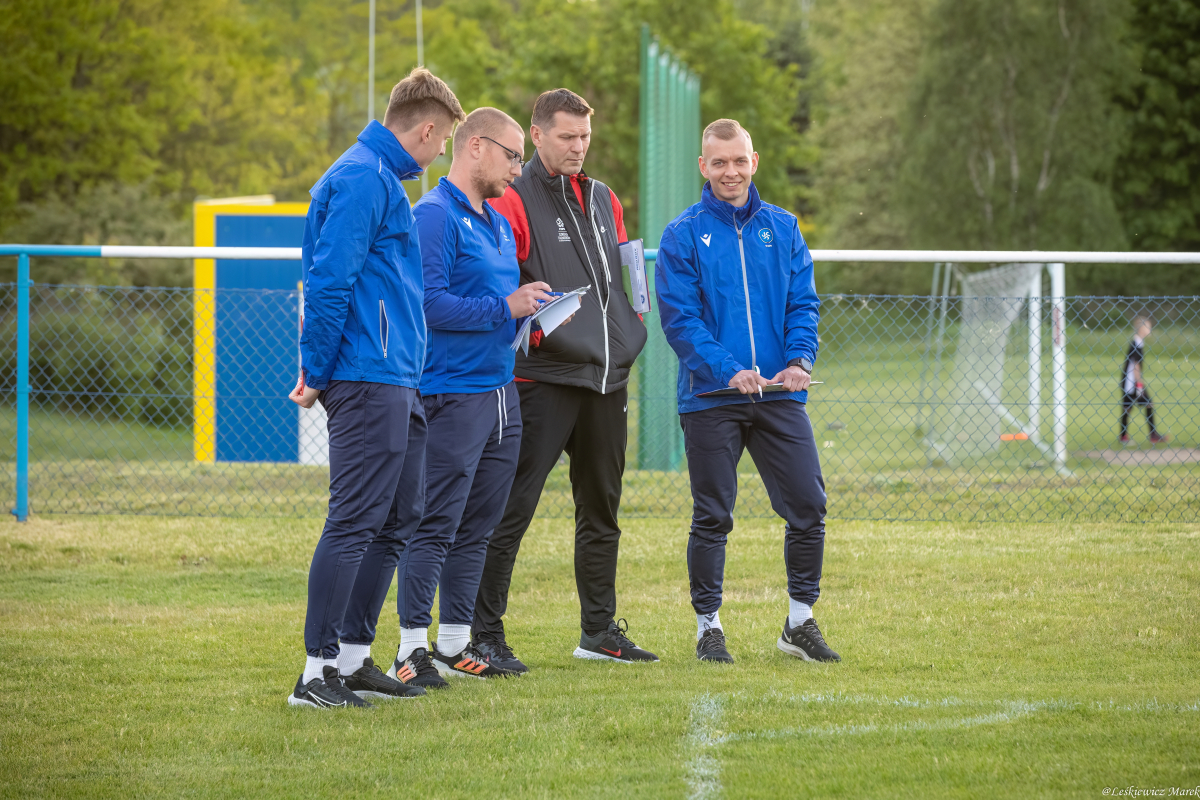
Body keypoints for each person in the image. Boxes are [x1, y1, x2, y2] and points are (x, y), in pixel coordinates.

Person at [286, 68, 465, 709]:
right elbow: (329, 282)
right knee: (355, 519)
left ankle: (354, 659)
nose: (439, 153)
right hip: (366, 375)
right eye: (443, 141)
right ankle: (315, 674)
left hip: (398, 377)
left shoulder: (382, 176)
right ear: (426, 129)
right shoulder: (363, 176)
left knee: (396, 518)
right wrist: (316, 371)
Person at [473, 88, 656, 667]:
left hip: (606, 379)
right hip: (543, 378)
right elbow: (497, 283)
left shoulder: (604, 198)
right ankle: (482, 636)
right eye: (567, 136)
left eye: (585, 137)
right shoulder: (512, 198)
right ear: (537, 135)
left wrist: (631, 326)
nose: (579, 147)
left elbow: (624, 274)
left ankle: (598, 633)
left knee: (602, 509)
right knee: (511, 508)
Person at [655, 118, 840, 665]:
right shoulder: (682, 235)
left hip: (778, 397)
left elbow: (803, 304)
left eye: (739, 161)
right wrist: (729, 369)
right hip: (712, 399)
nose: (730, 172)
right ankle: (708, 628)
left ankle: (799, 623)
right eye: (719, 162)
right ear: (703, 166)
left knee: (808, 505)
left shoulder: (783, 227)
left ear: (753, 161)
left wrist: (800, 359)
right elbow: (682, 321)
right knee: (713, 514)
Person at [384, 108, 553, 688]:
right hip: (451, 394)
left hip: (501, 392)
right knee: (435, 522)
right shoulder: (433, 215)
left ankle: (455, 643)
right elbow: (426, 303)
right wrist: (504, 307)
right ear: (476, 146)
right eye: (512, 155)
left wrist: (528, 312)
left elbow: (495, 305)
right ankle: (410, 649)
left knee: (479, 524)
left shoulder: (499, 222)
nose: (518, 168)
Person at [1120, 315, 1168, 445]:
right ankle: (1149, 435)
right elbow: (1135, 366)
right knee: (1133, 407)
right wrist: (1139, 385)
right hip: (1131, 383)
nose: (1150, 330)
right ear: (1141, 329)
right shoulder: (1136, 344)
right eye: (1148, 327)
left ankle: (1128, 436)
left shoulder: (1138, 342)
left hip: (1131, 382)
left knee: (1131, 407)